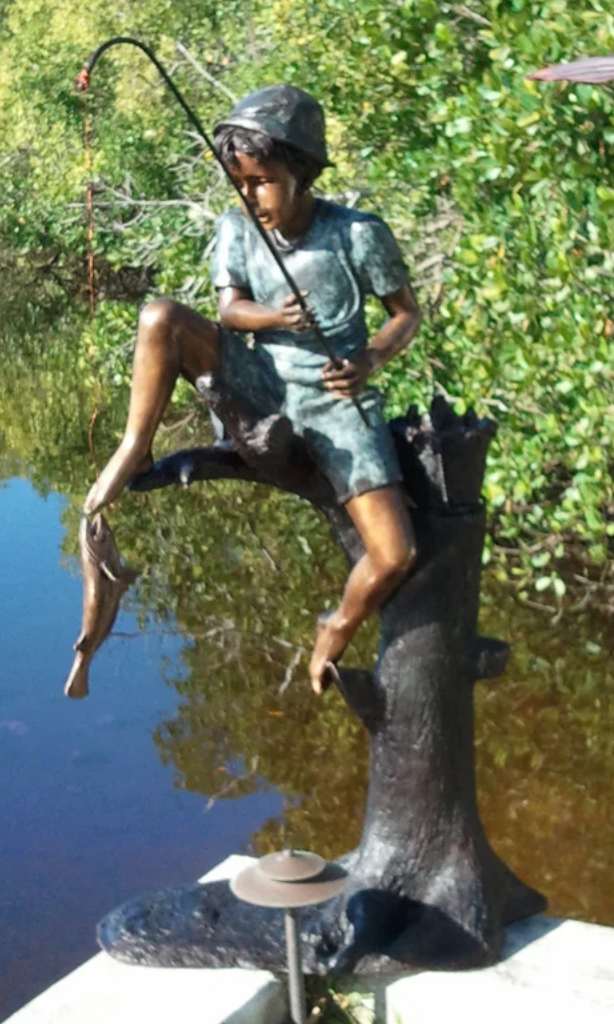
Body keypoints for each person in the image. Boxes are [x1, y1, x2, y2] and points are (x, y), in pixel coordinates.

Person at [83, 85, 420, 693]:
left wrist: (368, 359)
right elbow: (231, 311)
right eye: (238, 182)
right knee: (159, 317)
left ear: (299, 170)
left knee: (394, 554)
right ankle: (135, 443)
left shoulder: (356, 234)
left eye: (260, 180)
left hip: (337, 398)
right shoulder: (237, 229)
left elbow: (406, 314)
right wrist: (277, 317)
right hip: (264, 380)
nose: (249, 194)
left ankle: (336, 624)